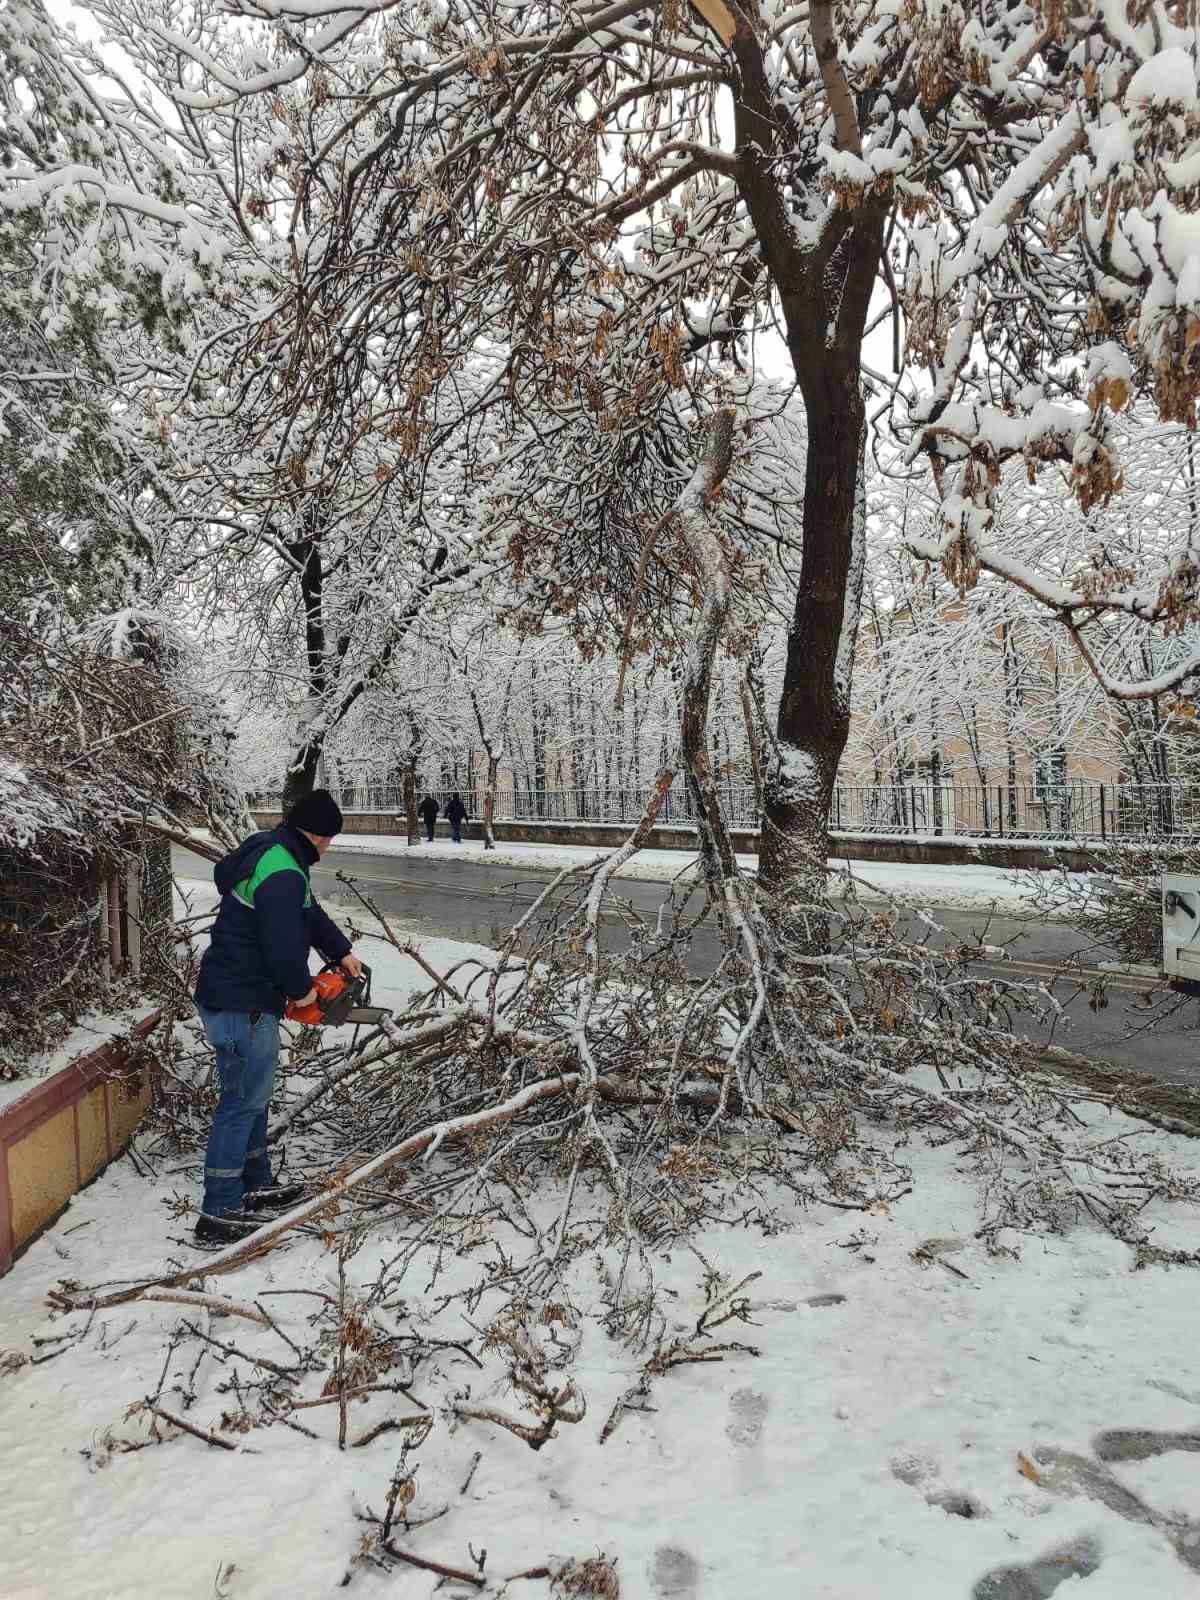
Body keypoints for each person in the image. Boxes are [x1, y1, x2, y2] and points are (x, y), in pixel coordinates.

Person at [192, 788, 364, 1247]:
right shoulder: (283, 871)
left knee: (254, 1097)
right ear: (313, 834)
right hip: (240, 1001)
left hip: (238, 995)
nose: (328, 848)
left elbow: (308, 914)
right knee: (240, 1102)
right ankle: (220, 1209)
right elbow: (284, 945)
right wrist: (305, 991)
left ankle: (255, 1184)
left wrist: (341, 951)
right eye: (327, 839)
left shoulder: (274, 853)